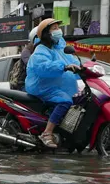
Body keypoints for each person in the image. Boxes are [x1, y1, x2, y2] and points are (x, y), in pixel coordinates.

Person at [26, 18, 81, 149]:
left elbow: (73, 62)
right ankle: (47, 133)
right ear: (46, 33)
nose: (58, 31)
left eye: (58, 27)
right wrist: (64, 67)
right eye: (54, 28)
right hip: (43, 87)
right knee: (65, 101)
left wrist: (84, 67)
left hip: (58, 87)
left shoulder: (60, 49)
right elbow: (44, 67)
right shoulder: (41, 50)